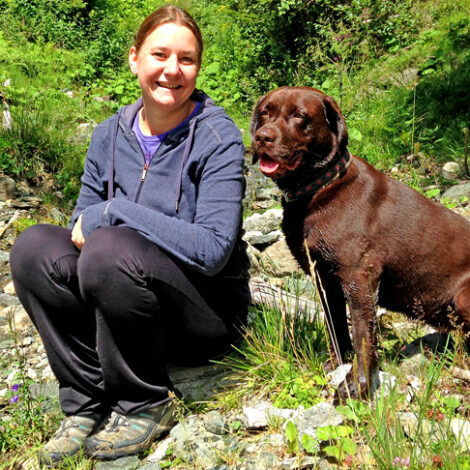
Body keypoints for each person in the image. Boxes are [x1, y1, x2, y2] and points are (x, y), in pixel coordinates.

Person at [10, 5, 250, 465]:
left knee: (110, 245)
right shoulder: (107, 134)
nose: (172, 70)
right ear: (135, 58)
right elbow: (81, 227)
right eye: (160, 54)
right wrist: (101, 223)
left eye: (187, 59)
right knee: (33, 247)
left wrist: (119, 211)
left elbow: (216, 249)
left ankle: (145, 402)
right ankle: (85, 399)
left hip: (202, 316)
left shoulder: (218, 138)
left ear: (198, 67)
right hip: (127, 301)